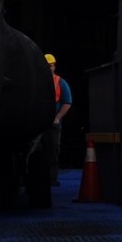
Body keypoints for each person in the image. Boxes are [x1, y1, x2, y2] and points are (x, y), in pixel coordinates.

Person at [45, 53, 72, 183]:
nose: (48, 68)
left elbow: (67, 103)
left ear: (54, 67)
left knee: (53, 150)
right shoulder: (37, 82)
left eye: (50, 65)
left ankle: (52, 177)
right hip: (37, 123)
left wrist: (57, 118)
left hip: (53, 124)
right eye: (46, 66)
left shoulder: (60, 83)